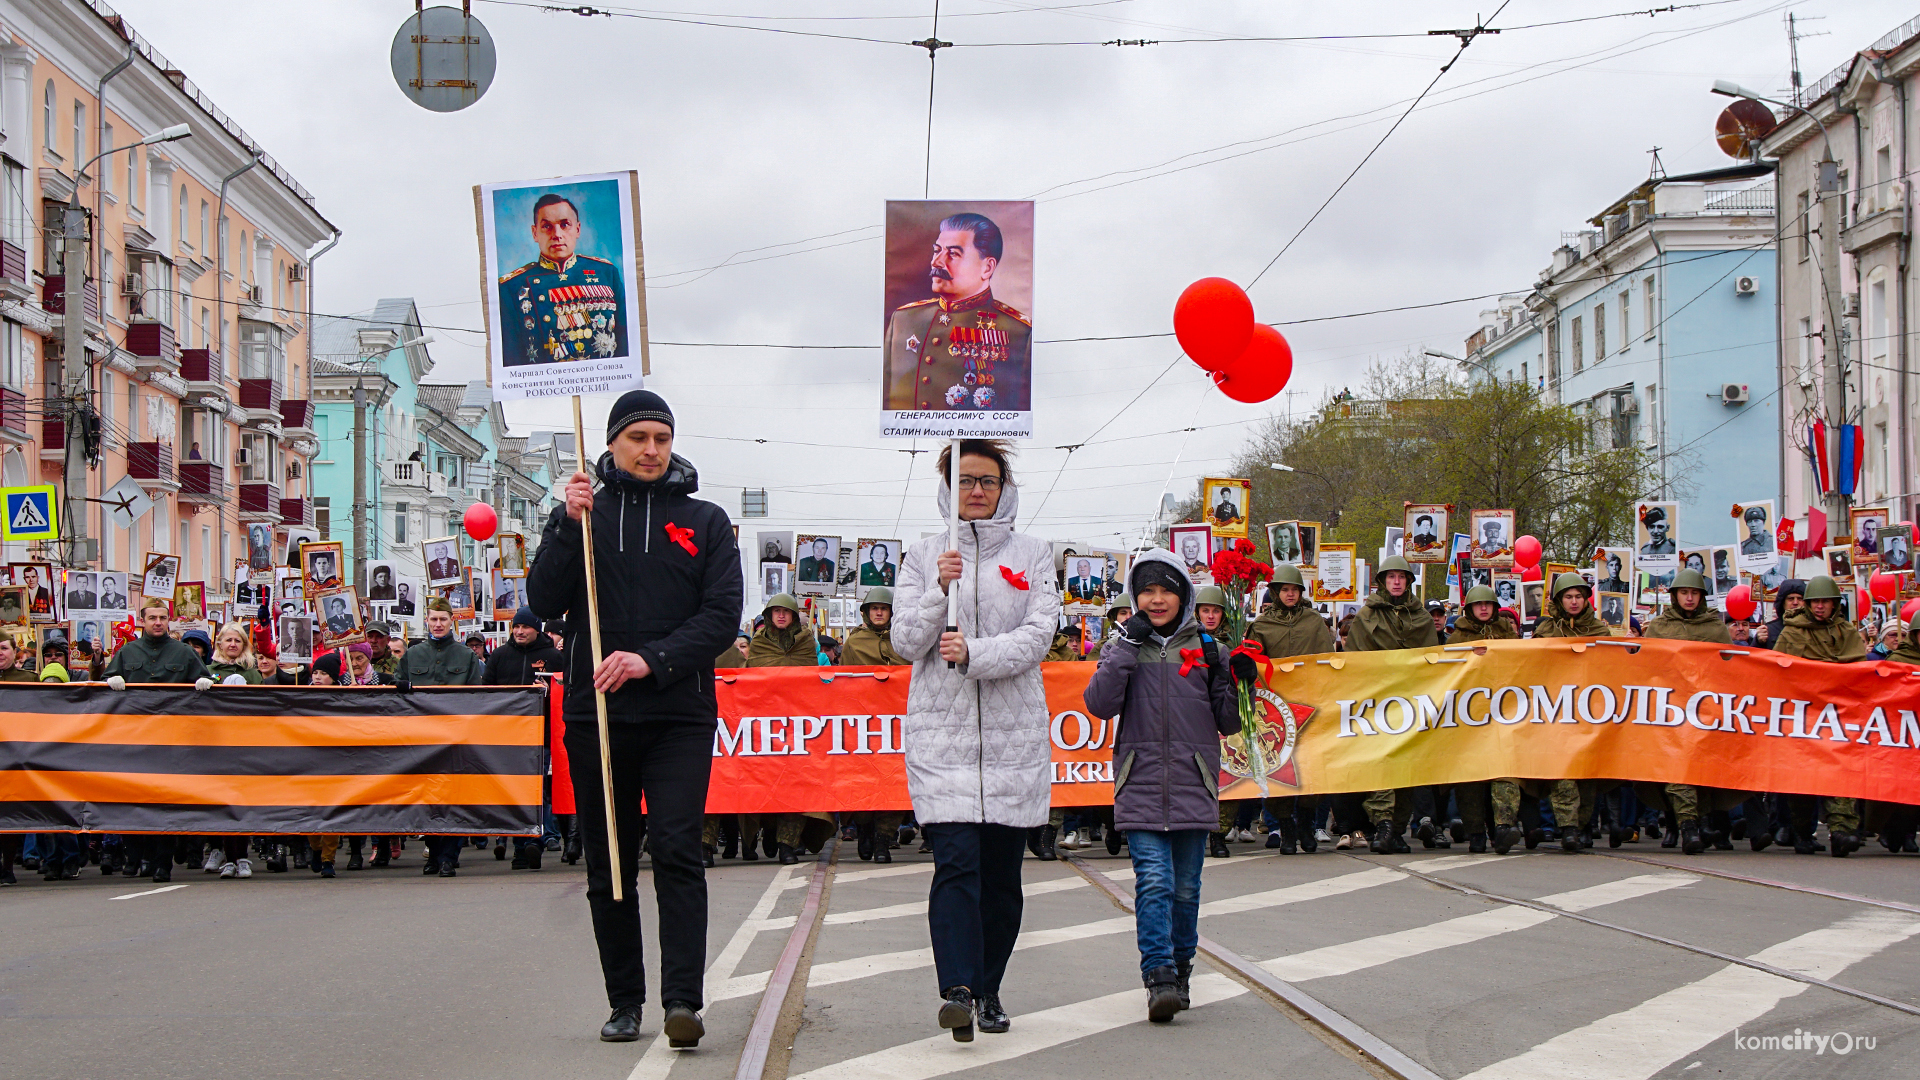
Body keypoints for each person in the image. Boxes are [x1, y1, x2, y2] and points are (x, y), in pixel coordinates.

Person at [526, 389, 741, 1046]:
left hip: (678, 714)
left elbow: (720, 619)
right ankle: (625, 1001)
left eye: (662, 438)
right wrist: (565, 524)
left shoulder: (705, 520)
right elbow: (542, 600)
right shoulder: (584, 515)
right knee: (610, 861)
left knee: (677, 848)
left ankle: (684, 1002)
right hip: (598, 718)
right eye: (638, 437)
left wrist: (652, 659)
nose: (651, 450)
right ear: (613, 442)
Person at [889, 438, 1057, 1042]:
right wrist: (939, 591)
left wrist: (977, 654)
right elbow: (905, 641)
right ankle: (957, 988)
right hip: (944, 740)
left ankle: (988, 988)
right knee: (956, 865)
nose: (977, 490)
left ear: (1005, 486)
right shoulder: (922, 554)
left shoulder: (1035, 553)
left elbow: (1041, 632)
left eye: (987, 480)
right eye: (966, 480)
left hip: (1014, 743)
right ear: (948, 487)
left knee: (1001, 880)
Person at [1083, 550, 1239, 1022]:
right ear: (1136, 596)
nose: (1156, 599)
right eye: (1147, 590)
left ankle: (1182, 968)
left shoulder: (1210, 650)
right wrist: (1128, 646)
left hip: (1195, 780)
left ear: (1183, 595)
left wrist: (1238, 680)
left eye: (1165, 590)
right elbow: (1100, 703)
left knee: (1186, 889)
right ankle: (1159, 976)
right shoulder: (1121, 646)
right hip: (1141, 780)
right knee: (1154, 882)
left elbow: (1229, 722)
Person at [104, 599, 212, 882]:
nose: (157, 622)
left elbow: (204, 679)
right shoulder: (128, 652)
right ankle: (141, 858)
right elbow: (104, 685)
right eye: (152, 617)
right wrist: (111, 680)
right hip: (135, 740)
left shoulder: (184, 652)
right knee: (137, 801)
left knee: (167, 803)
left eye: (162, 617)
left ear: (169, 620)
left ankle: (163, 863)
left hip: (172, 740)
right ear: (143, 620)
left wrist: (204, 683)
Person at [882, 211, 1032, 411]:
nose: (937, 262)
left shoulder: (1019, 332)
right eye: (937, 251)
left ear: (987, 267)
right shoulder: (904, 320)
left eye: (953, 254)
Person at [1343, 557, 1441, 854]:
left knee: (1407, 768)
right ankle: (1383, 824)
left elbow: (1432, 660)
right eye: (1391, 577)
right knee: (1381, 763)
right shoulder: (1367, 616)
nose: (1397, 582)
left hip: (1413, 702)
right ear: (1383, 581)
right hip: (1377, 702)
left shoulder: (1421, 617)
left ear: (1409, 581)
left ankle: (1397, 829)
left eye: (1402, 577)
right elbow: (1354, 659)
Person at [1771, 575, 1868, 856]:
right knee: (1802, 778)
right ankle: (1802, 833)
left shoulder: (1847, 632)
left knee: (1841, 774)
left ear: (1835, 603)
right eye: (1815, 602)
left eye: (1826, 601)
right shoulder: (1791, 633)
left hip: (1839, 716)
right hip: (1801, 716)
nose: (1820, 607)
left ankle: (1841, 831)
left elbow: (1859, 672)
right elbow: (1776, 671)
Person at [1641, 569, 1735, 855]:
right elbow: (1647, 668)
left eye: (1694, 593)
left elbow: (1732, 667)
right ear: (1674, 596)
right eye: (1684, 593)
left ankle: (1701, 820)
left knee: (1704, 768)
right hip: (1670, 709)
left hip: (1707, 710)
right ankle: (1687, 826)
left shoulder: (1716, 629)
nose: (1690, 598)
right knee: (1676, 767)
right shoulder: (1659, 627)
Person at [1242, 564, 1335, 854]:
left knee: (1310, 767)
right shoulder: (1261, 625)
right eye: (1284, 590)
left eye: (1294, 590)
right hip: (1276, 708)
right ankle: (1286, 828)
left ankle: (1306, 823)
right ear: (1275, 592)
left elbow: (1327, 660)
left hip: (1310, 703)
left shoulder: (1314, 622)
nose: (1290, 594)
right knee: (1278, 768)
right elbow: (1252, 661)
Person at [1522, 573, 1613, 853]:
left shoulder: (1600, 631)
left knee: (1587, 774)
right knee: (1561, 771)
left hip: (1591, 711)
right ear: (1560, 600)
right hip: (1556, 711)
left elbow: (1613, 669)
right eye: (1568, 597)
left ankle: (1584, 825)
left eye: (1578, 596)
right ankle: (1568, 828)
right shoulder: (1547, 631)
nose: (1574, 602)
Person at [400, 598, 483, 877]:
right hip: (422, 739)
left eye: (443, 620)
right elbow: (395, 693)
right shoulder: (412, 655)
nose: (438, 624)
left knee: (454, 798)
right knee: (428, 799)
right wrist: (396, 685)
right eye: (433, 619)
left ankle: (449, 856)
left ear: (451, 622)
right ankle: (434, 854)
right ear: (427, 620)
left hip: (455, 739)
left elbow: (476, 697)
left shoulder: (466, 656)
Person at [499, 192, 628, 366]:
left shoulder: (606, 273)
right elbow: (511, 357)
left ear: (577, 229)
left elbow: (626, 340)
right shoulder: (512, 286)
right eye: (547, 226)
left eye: (565, 224)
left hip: (602, 383)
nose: (557, 234)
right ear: (535, 233)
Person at [737, 593, 819, 865]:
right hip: (764, 728)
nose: (781, 615)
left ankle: (788, 843)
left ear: (794, 615)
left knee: (795, 786)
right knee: (764, 784)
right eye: (776, 611)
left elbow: (814, 682)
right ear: (769, 615)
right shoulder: (758, 644)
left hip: (799, 728)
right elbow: (749, 682)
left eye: (787, 611)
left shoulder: (807, 642)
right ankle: (769, 830)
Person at [839, 587, 909, 861]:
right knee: (863, 782)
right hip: (863, 724)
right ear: (866, 613)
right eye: (874, 608)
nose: (879, 612)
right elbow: (843, 683)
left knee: (895, 783)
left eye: (884, 607)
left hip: (898, 724)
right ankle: (865, 830)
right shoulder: (854, 644)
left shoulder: (904, 641)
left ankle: (883, 839)